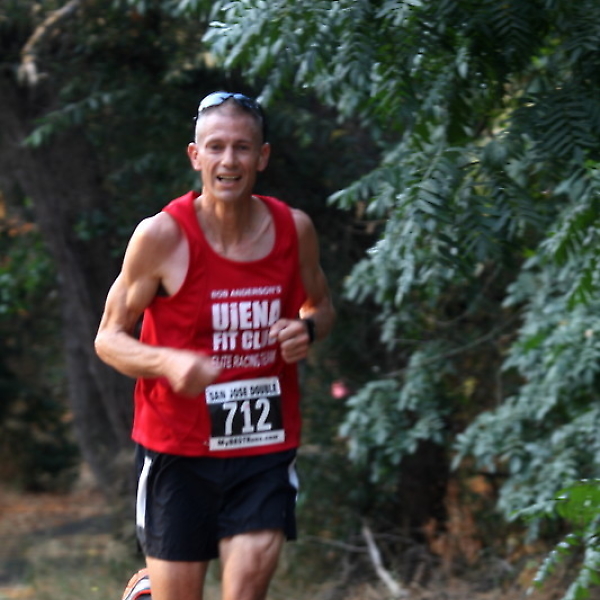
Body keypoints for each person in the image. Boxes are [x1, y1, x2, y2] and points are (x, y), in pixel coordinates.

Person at [95, 91, 335, 600]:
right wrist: (165, 360)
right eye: (216, 147)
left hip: (262, 443)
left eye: (243, 148)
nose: (230, 160)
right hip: (176, 449)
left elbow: (320, 307)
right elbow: (109, 338)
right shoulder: (161, 236)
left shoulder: (294, 230)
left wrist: (307, 330)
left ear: (262, 157)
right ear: (195, 156)